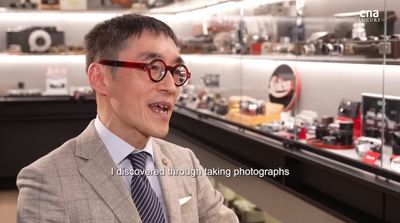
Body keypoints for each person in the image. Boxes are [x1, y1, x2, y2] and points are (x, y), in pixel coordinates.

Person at [16, 14, 239, 223]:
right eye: (154, 68)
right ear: (100, 78)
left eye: (176, 71)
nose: (171, 86)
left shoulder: (184, 161)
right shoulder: (46, 181)